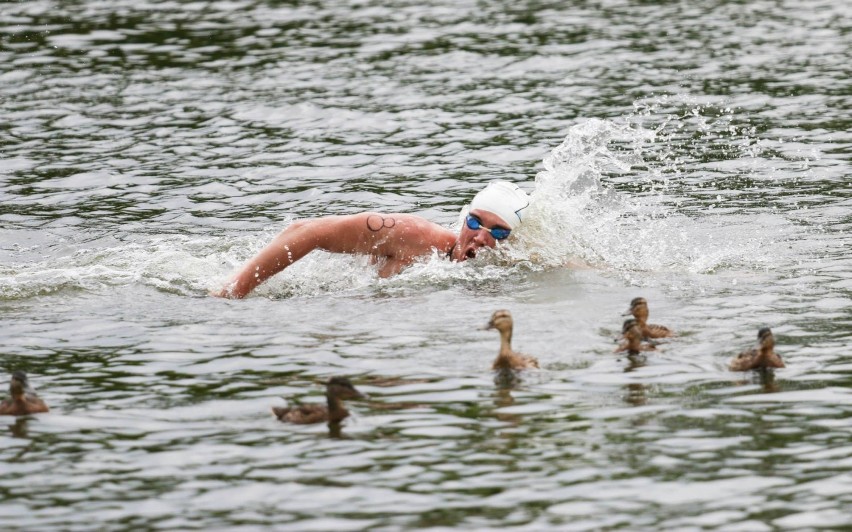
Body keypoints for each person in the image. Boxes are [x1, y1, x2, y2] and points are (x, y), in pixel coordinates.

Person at [214, 180, 530, 299]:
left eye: (497, 231)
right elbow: (304, 231)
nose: (480, 234)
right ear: (464, 218)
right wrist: (235, 290)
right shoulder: (415, 236)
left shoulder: (511, 265)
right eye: (475, 221)